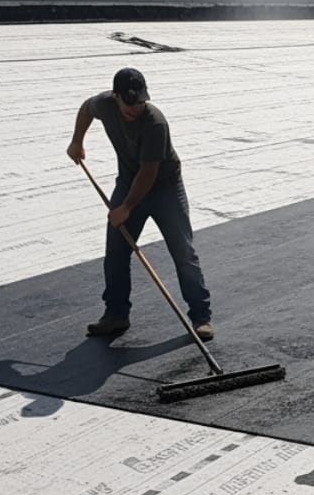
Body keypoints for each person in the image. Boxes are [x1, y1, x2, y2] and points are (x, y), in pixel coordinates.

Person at [66, 67, 213, 341]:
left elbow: (149, 174)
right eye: (129, 103)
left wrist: (125, 208)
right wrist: (77, 141)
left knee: (183, 252)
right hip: (128, 181)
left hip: (164, 187)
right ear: (116, 97)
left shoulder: (155, 122)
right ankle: (116, 315)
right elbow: (87, 108)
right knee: (116, 252)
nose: (136, 109)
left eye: (140, 102)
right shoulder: (105, 105)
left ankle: (201, 317)